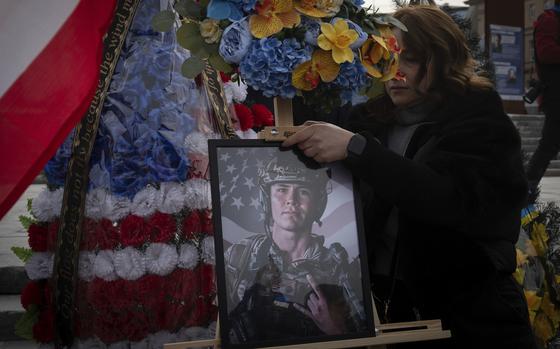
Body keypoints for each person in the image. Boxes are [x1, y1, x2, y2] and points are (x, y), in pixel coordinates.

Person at [283, 5, 537, 348]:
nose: (395, 72)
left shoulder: (483, 124)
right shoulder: (372, 119)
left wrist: (360, 151)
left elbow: (450, 200)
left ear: (443, 60)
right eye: (384, 58)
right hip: (392, 314)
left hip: (472, 321)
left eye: (410, 59)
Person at [223, 152, 366, 344]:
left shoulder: (339, 266)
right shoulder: (240, 256)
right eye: (282, 189)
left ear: (318, 203)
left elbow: (364, 342)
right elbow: (215, 328)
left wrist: (335, 329)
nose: (291, 200)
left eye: (303, 191)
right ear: (267, 200)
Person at [526, 0, 560, 203]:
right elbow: (546, 53)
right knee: (549, 144)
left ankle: (525, 187)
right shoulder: (548, 20)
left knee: (550, 144)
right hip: (556, 95)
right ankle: (525, 189)